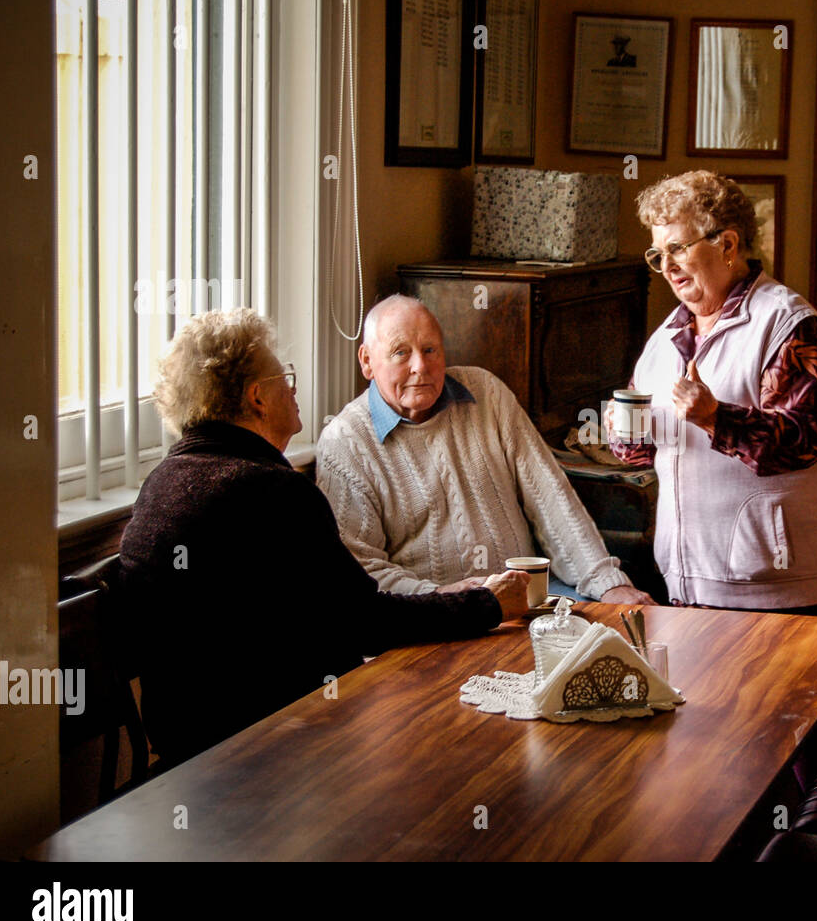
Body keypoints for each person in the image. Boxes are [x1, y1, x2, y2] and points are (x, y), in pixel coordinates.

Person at [117, 309, 530, 767]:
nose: (293, 389)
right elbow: (366, 621)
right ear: (257, 397)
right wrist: (487, 604)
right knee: (465, 740)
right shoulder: (271, 491)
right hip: (271, 751)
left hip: (184, 745)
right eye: (284, 377)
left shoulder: (160, 483)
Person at [608, 170, 817, 615]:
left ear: (727, 245)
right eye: (657, 253)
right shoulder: (665, 338)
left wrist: (714, 418)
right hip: (690, 579)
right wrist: (624, 432)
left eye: (678, 248)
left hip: (787, 586)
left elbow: (803, 442)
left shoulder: (791, 324)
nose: (666, 266)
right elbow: (644, 455)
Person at [316, 295, 655, 606]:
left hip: (529, 599)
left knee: (623, 641)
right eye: (401, 353)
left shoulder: (485, 393)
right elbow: (360, 569)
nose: (420, 366)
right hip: (431, 618)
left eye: (431, 350)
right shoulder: (345, 442)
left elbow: (550, 497)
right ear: (367, 361)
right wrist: (441, 598)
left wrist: (608, 583)